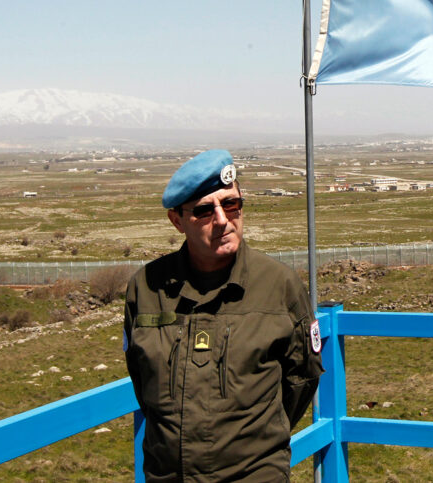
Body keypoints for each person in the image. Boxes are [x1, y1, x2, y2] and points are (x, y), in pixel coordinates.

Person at [124, 149, 323, 482]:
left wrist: (254, 442)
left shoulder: (279, 285)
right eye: (204, 211)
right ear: (177, 221)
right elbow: (143, 382)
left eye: (231, 204)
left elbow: (301, 379)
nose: (222, 219)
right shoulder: (146, 288)